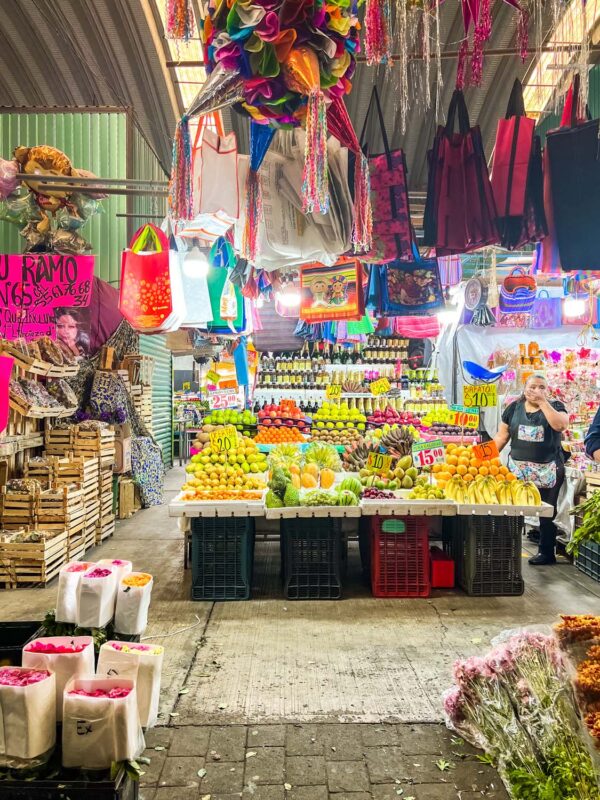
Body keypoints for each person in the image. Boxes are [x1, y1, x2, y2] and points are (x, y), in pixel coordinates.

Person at [493, 373, 569, 566]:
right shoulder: (513, 409)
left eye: (542, 387)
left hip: (549, 469)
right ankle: (507, 550)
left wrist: (544, 403)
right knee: (512, 510)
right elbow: (501, 438)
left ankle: (546, 552)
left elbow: (560, 425)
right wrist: (480, 457)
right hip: (518, 470)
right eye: (533, 387)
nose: (537, 391)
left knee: (547, 512)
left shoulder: (556, 407)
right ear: (524, 389)